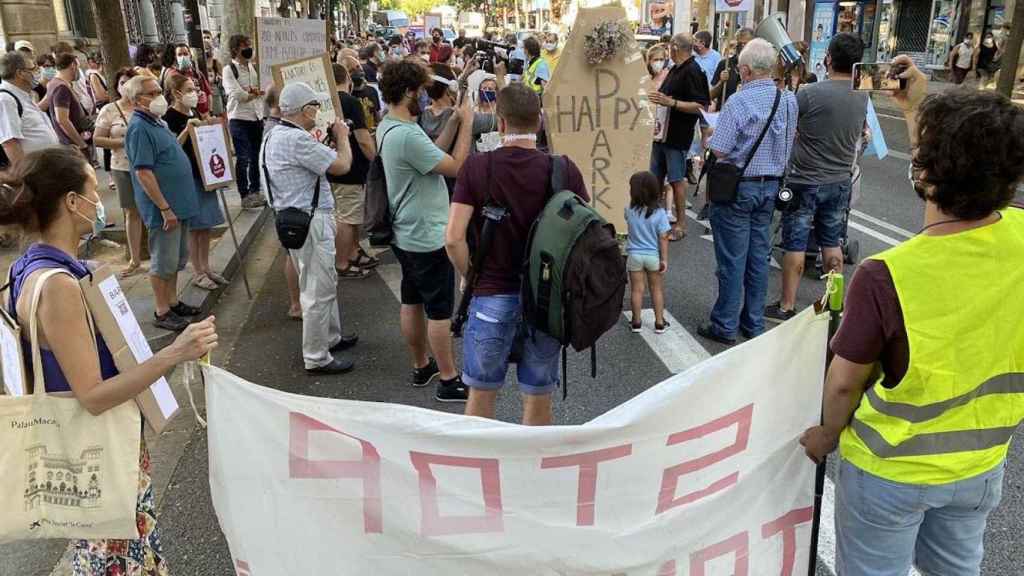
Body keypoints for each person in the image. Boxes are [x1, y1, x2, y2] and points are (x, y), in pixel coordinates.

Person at [799, 57, 1024, 576]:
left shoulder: (888, 274)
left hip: (890, 472)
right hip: (982, 464)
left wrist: (826, 437)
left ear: (925, 173)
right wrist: (919, 108)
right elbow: (958, 189)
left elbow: (841, 386)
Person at [0, 146, 218, 576]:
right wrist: (177, 351)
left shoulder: (29, 266)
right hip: (97, 452)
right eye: (94, 191)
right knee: (116, 558)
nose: (100, 203)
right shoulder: (59, 286)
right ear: (71, 202)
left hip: (80, 451)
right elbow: (94, 396)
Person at [446, 82, 589, 425]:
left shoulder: (478, 168)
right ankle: (532, 474)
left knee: (481, 399)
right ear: (539, 123)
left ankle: (482, 474)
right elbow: (583, 234)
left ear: (501, 123)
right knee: (538, 399)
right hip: (545, 301)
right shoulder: (564, 170)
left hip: (491, 295)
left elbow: (452, 238)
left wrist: (472, 277)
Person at [376, 58, 474, 402]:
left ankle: (421, 365)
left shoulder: (390, 125)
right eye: (418, 91)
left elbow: (432, 152)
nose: (423, 96)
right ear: (407, 92)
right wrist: (467, 126)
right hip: (427, 235)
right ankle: (449, 378)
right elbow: (455, 167)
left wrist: (455, 119)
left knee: (411, 300)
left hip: (406, 231)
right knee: (439, 310)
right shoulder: (405, 135)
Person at [698, 38, 797, 346]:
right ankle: (753, 323)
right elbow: (789, 143)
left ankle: (724, 324)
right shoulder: (788, 100)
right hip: (771, 187)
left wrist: (708, 140)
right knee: (758, 258)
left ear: (745, 70)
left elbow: (721, 151)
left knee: (731, 259)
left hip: (738, 189)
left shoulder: (739, 102)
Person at [765, 33, 868, 323]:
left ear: (829, 59)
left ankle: (786, 306)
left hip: (805, 179)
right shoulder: (863, 94)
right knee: (832, 243)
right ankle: (834, 303)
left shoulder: (810, 93)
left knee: (795, 243)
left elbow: (788, 125)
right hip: (839, 179)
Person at [262, 82, 358, 374]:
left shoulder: (275, 134)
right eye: (315, 107)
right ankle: (317, 356)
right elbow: (342, 165)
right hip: (310, 219)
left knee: (319, 281)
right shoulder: (296, 140)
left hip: (293, 218)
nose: (318, 112)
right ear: (305, 110)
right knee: (318, 288)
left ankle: (330, 337)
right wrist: (342, 138)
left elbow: (314, 165)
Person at [123, 75, 201, 331]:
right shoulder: (138, 128)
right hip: (164, 209)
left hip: (180, 205)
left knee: (176, 258)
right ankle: (162, 310)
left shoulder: (157, 122)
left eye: (159, 90)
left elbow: (171, 151)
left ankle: (173, 300)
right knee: (163, 260)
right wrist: (164, 208)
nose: (159, 96)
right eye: (152, 92)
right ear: (137, 100)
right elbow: (143, 172)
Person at [162, 74, 227, 292]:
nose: (195, 92)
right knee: (194, 226)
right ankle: (197, 271)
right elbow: (171, 149)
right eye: (189, 89)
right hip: (186, 177)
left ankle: (206, 267)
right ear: (176, 93)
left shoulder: (196, 111)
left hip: (205, 175)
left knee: (206, 224)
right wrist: (187, 130)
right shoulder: (169, 117)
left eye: (195, 88)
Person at [646, 34, 710, 242]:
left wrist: (671, 103)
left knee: (675, 180)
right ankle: (653, 221)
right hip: (661, 134)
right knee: (655, 179)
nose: (666, 53)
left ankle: (681, 223)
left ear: (675, 47)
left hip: (677, 135)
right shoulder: (675, 69)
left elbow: (701, 105)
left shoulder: (693, 70)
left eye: (669, 48)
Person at [94, 68, 145, 278]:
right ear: (116, 86)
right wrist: (122, 142)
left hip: (148, 166)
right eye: (122, 82)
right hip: (122, 168)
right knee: (131, 212)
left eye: (130, 81)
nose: (126, 86)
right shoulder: (108, 110)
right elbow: (98, 139)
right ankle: (135, 259)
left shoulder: (145, 106)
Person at [330, 63, 377, 277]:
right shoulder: (351, 102)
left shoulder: (325, 102)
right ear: (347, 79)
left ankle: (354, 251)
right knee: (347, 218)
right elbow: (363, 139)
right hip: (351, 169)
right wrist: (377, 160)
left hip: (332, 166)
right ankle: (342, 262)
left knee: (349, 215)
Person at [223, 34, 266, 209]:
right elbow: (237, 95)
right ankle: (244, 194)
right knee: (243, 157)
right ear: (235, 50)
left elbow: (263, 87)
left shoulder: (253, 67)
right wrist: (253, 93)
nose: (249, 49)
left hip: (256, 116)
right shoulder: (229, 70)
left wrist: (254, 92)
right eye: (244, 46)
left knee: (256, 156)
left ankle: (255, 190)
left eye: (249, 45)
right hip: (238, 118)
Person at [625, 171, 671, 334]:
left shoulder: (629, 210)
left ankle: (636, 322)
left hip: (634, 255)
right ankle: (659, 322)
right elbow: (664, 238)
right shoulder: (660, 214)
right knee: (656, 289)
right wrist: (664, 259)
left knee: (637, 290)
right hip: (652, 256)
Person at [0, 51, 58, 167]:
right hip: (34, 174)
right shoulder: (6, 100)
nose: (37, 72)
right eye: (33, 68)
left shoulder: (22, 94)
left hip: (46, 168)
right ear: (20, 73)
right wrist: (25, 178)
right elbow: (9, 143)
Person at [46, 53, 91, 153]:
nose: (78, 71)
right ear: (72, 66)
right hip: (73, 145)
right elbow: (62, 120)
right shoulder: (61, 87)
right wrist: (81, 144)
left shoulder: (55, 84)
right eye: (78, 67)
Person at [710, 28, 754, 111]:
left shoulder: (757, 67)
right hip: (725, 113)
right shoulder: (725, 64)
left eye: (746, 44)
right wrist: (721, 81)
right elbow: (711, 95)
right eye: (740, 43)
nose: (743, 47)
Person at [170, 43, 213, 117]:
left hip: (204, 114)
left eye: (185, 54)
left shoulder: (197, 73)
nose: (183, 57)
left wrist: (210, 111)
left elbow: (208, 93)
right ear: (175, 57)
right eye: (179, 55)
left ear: (190, 55)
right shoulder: (174, 76)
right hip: (187, 114)